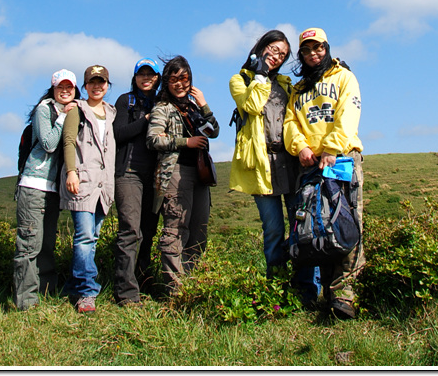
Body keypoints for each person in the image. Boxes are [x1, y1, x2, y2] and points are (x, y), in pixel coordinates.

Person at [229, 30, 319, 306]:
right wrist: (259, 74)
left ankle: (305, 290)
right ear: (261, 47)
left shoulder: (286, 84)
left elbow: (306, 105)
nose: (277, 56)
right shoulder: (239, 80)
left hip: (290, 164)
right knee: (273, 230)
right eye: (273, 49)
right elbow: (253, 105)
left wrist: (327, 75)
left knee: (301, 226)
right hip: (261, 164)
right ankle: (276, 290)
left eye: (282, 54)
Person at [283, 27, 365, 320]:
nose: (313, 54)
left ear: (327, 47)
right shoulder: (299, 87)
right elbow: (290, 123)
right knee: (314, 224)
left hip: (341, 160)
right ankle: (316, 293)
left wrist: (331, 148)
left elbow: (348, 114)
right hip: (310, 164)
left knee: (346, 220)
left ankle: (343, 296)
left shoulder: (344, 77)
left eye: (318, 48)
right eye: (306, 50)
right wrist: (300, 147)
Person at [146, 56, 219, 295]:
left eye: (184, 78)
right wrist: (186, 142)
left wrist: (204, 104)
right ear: (166, 82)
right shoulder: (162, 108)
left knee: (199, 229)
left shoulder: (195, 107)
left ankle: (192, 282)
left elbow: (215, 131)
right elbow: (154, 139)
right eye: (174, 79)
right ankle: (174, 289)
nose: (179, 83)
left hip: (200, 174)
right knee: (176, 227)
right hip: (175, 172)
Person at [13, 69, 79, 310]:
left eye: (69, 87)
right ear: (53, 89)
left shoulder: (72, 111)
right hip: (33, 185)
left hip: (52, 190)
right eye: (60, 87)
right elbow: (49, 144)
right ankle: (26, 303)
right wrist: (62, 117)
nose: (65, 91)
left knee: (47, 245)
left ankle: (47, 294)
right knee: (29, 246)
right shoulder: (45, 109)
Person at [60, 65, 116, 314]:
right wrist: (71, 171)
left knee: (92, 239)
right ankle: (87, 292)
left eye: (101, 82)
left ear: (107, 85)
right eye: (92, 82)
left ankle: (73, 285)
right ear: (85, 86)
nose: (97, 86)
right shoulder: (78, 110)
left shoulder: (112, 113)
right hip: (82, 182)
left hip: (104, 185)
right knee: (84, 238)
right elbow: (69, 141)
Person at [113, 58, 161, 306]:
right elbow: (118, 134)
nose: (146, 78)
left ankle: (143, 280)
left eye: (150, 74)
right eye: (141, 74)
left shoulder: (164, 102)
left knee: (148, 232)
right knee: (130, 230)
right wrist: (146, 120)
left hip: (155, 177)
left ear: (157, 78)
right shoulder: (125, 101)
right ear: (134, 78)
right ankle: (126, 292)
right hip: (128, 173)